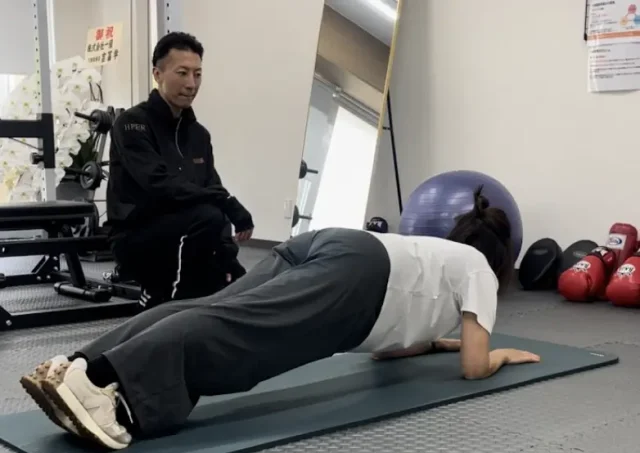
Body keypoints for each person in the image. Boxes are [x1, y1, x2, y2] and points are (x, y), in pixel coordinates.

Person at [19, 187, 541, 450]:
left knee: (211, 309)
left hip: (334, 245)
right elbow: (475, 367)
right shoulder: (481, 270)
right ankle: (100, 385)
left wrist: (438, 343)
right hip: (359, 277)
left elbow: (390, 349)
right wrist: (497, 355)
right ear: (503, 256)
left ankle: (75, 366)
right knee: (235, 331)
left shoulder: (438, 255)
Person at [106, 31, 254, 308]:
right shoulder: (131, 124)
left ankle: (185, 297)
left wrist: (228, 256)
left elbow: (212, 189)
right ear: (158, 74)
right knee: (207, 217)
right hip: (136, 236)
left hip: (187, 232)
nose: (191, 84)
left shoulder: (199, 135)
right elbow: (160, 185)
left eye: (197, 74)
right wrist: (228, 202)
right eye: (182, 73)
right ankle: (163, 300)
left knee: (236, 283)